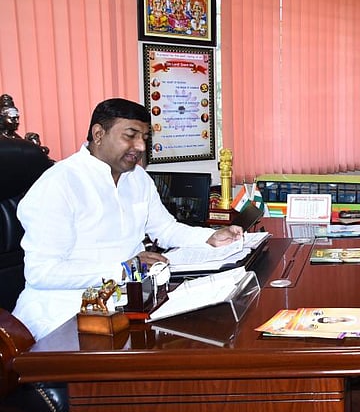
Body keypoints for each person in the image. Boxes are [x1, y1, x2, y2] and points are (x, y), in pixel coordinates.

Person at [13, 98, 243, 341]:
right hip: (64, 318)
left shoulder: (137, 179)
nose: (141, 147)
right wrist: (125, 269)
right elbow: (43, 272)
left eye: (144, 137)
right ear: (99, 134)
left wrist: (210, 237)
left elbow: (164, 229)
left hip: (129, 306)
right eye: (131, 135)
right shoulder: (59, 184)